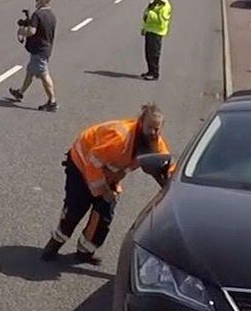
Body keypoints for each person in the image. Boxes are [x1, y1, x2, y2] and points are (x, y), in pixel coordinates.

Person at [43, 104, 171, 263]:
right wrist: (104, 190)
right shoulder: (120, 138)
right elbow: (93, 162)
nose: (153, 133)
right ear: (140, 122)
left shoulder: (154, 142)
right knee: (76, 207)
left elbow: (165, 164)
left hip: (107, 171)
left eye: (157, 129)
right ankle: (55, 244)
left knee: (104, 214)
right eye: (150, 128)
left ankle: (85, 250)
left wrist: (172, 180)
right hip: (82, 164)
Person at [9, 0, 58, 111]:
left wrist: (22, 31)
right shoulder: (51, 15)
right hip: (46, 48)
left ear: (41, 0)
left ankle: (52, 101)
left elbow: (32, 31)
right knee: (30, 71)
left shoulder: (37, 15)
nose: (35, 1)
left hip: (39, 49)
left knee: (44, 74)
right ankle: (20, 92)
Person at [140, 0, 172, 80]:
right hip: (149, 30)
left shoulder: (164, 5)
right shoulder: (153, 3)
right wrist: (143, 28)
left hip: (157, 32)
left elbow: (161, 21)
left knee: (154, 54)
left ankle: (155, 74)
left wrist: (150, 14)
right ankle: (150, 71)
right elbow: (146, 16)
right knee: (148, 53)